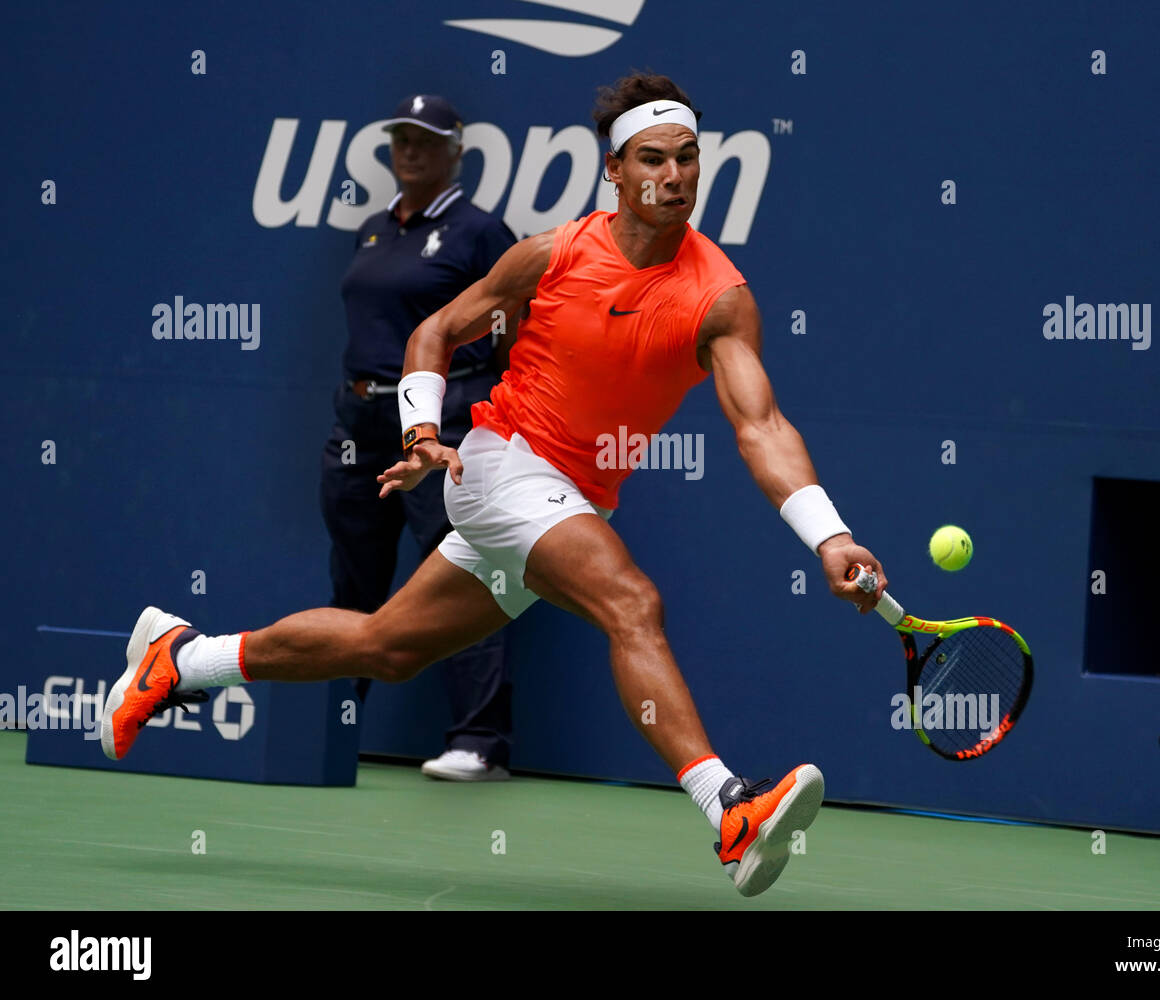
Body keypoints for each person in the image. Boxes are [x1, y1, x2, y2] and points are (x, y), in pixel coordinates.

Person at [101, 72, 889, 898]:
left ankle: (183, 659)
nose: (675, 176)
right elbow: (436, 331)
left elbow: (760, 427)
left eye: (689, 158)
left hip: (572, 496)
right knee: (631, 601)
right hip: (501, 464)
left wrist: (829, 536)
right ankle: (728, 807)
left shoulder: (718, 298)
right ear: (613, 171)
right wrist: (422, 430)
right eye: (653, 158)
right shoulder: (552, 255)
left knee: (389, 647)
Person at [322, 94, 516, 781]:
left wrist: (469, 407)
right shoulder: (373, 229)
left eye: (426, 140)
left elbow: (513, 329)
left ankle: (479, 742)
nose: (410, 150)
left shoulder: (479, 231)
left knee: (456, 575)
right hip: (358, 424)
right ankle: (329, 731)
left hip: (441, 422)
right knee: (355, 579)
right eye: (401, 138)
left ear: (455, 150)